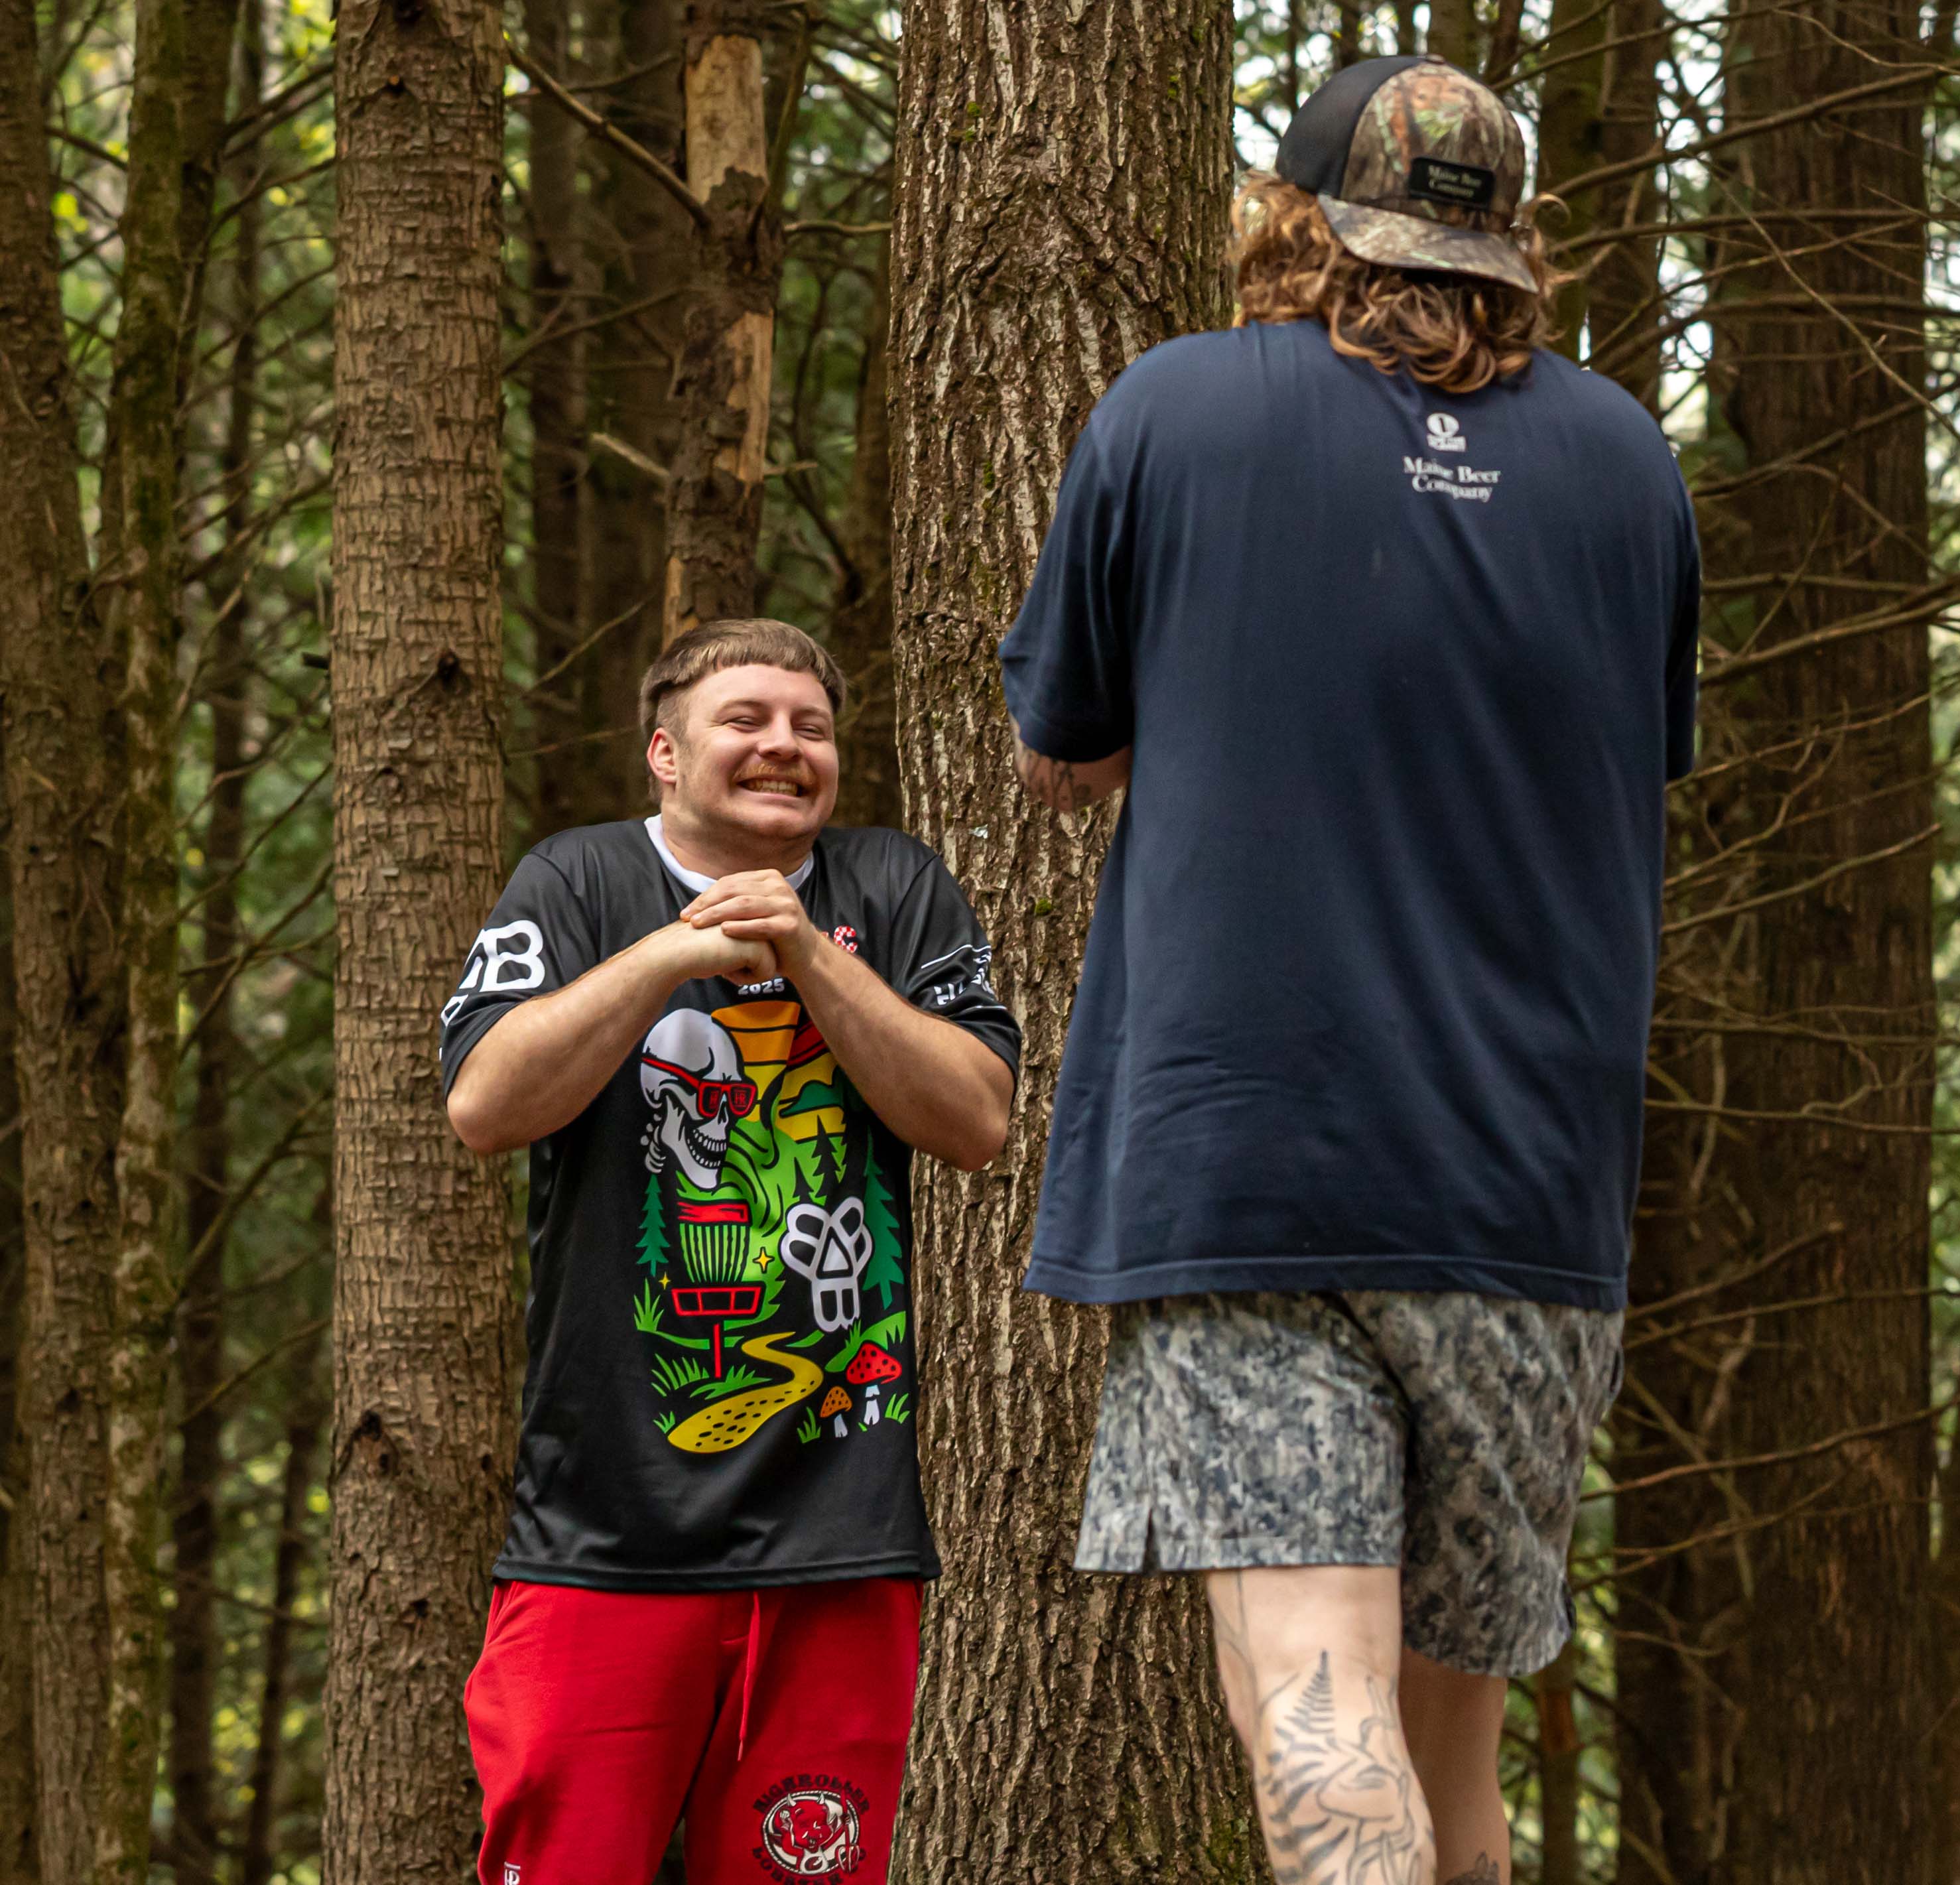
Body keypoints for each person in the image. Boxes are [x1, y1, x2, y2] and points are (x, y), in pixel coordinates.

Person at [998, 55, 1700, 1885]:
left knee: (1320, 1704)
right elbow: (1629, 748)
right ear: (1511, 245)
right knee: (1456, 1781)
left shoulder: (1178, 406)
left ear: (1300, 220)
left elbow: (1060, 746)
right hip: (1528, 1188)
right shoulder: (1629, 461)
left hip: (1253, 1163)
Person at [440, 619, 1018, 1885]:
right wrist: (671, 952)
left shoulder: (892, 885)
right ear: (664, 751)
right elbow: (485, 1102)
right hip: (602, 1528)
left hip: (840, 1530)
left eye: (812, 726)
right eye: (746, 720)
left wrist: (807, 953)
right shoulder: (576, 880)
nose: (784, 746)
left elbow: (978, 1119)